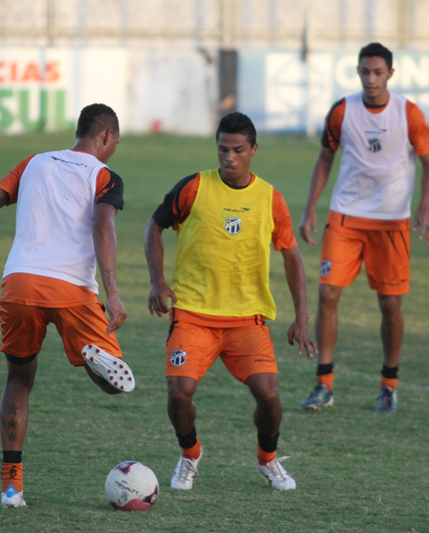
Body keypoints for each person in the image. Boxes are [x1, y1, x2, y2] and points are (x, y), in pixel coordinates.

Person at [0, 103, 134, 508]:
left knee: (19, 380)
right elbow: (103, 225)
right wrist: (112, 293)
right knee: (113, 383)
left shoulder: (33, 163)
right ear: (107, 136)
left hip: (20, 284)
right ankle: (91, 353)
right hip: (72, 291)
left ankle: (11, 488)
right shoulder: (103, 175)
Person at [144, 112, 316, 491]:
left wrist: (301, 316)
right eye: (223, 149)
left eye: (238, 150)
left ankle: (267, 459)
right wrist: (157, 282)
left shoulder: (269, 198)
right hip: (193, 315)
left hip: (246, 320)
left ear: (254, 150)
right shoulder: (194, 187)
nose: (229, 157)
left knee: (269, 396)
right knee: (179, 394)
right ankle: (190, 454)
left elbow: (291, 256)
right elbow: (153, 227)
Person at [298, 42, 429, 413]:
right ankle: (324, 384)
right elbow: (325, 159)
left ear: (390, 73)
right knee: (328, 294)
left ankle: (389, 385)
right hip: (345, 217)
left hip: (392, 223)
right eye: (365, 71)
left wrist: (424, 209)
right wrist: (310, 207)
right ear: (358, 72)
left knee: (390, 304)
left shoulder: (408, 112)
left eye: (378, 72)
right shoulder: (342, 110)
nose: (371, 79)